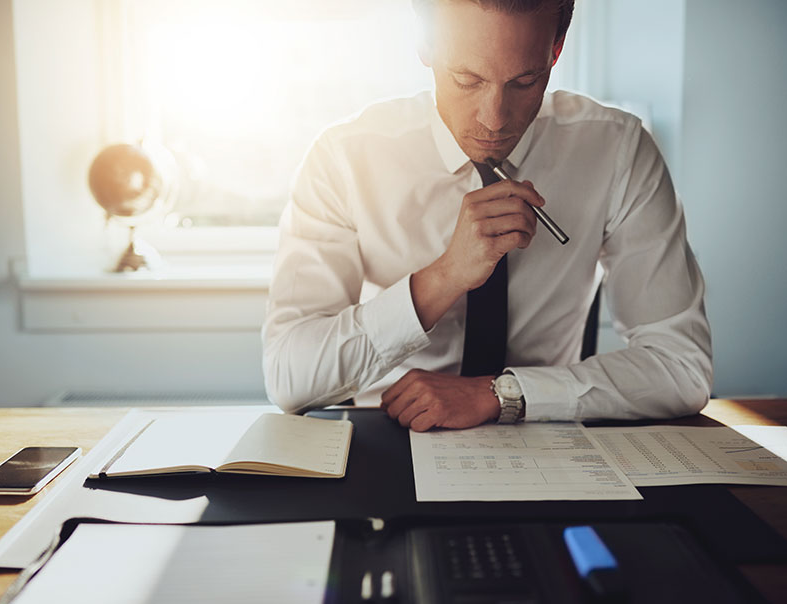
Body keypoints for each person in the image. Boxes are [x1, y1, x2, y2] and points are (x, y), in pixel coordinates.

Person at [262, 0, 712, 431]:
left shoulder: (618, 150)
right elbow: (289, 377)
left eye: (525, 81)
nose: (494, 120)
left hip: (545, 439)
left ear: (556, 49)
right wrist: (443, 278)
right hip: (386, 437)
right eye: (466, 79)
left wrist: (503, 395)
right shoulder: (343, 158)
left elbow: (682, 366)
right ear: (426, 45)